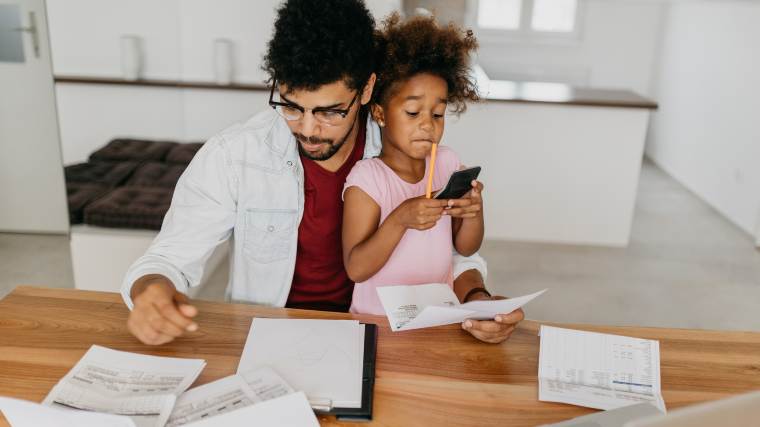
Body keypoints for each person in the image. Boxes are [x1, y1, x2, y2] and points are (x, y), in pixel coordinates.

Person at [121, 0, 523, 346]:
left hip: (385, 331)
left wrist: (478, 297)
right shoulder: (235, 155)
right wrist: (150, 291)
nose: (308, 129)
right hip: (272, 333)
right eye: (292, 105)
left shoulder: (404, 146)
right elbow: (168, 258)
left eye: (330, 112)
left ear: (366, 92)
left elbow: (449, 249)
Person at [343, 13, 484, 315]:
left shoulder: (447, 162)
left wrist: (474, 211)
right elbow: (356, 268)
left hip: (436, 315)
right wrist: (400, 219)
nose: (427, 125)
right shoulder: (367, 179)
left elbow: (466, 248)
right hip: (377, 320)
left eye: (437, 114)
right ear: (380, 114)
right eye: (412, 112)